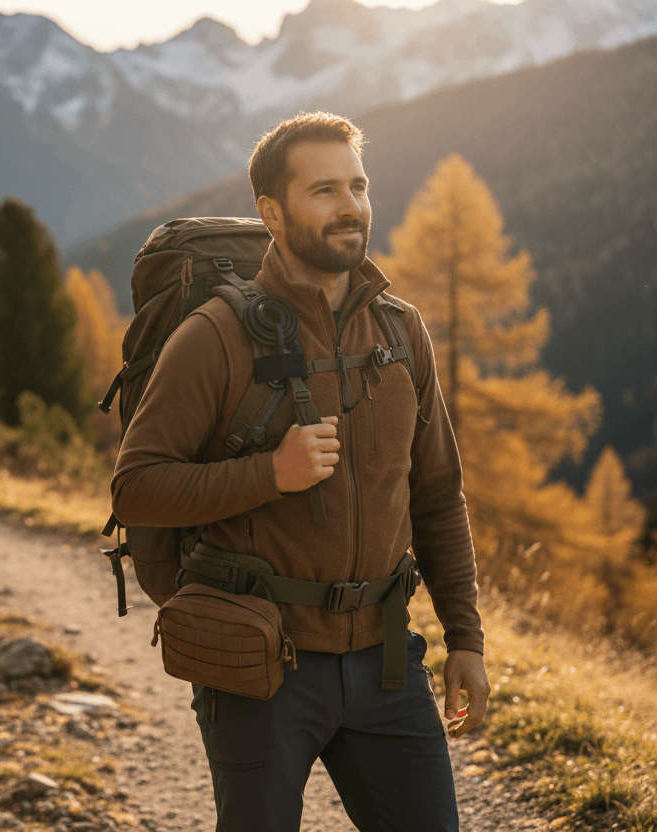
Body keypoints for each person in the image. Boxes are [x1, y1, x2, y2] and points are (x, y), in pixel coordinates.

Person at [110, 112, 490, 831]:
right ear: (272, 214)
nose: (350, 206)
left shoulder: (401, 330)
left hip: (385, 661)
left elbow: (437, 494)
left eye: (358, 185)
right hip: (258, 663)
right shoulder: (215, 336)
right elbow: (136, 487)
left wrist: (464, 637)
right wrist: (268, 473)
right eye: (325, 190)